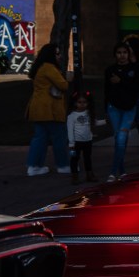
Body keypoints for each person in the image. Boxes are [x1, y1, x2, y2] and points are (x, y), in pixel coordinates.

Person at [25, 42, 71, 176]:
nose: (60, 56)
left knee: (40, 138)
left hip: (38, 109)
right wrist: (67, 78)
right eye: (57, 53)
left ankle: (34, 165)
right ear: (51, 55)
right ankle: (62, 165)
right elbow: (63, 85)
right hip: (51, 109)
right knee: (59, 138)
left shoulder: (40, 67)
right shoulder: (49, 68)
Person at [104, 41, 139, 181]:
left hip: (129, 109)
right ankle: (122, 171)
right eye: (119, 53)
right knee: (118, 138)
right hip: (113, 108)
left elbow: (137, 87)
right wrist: (105, 110)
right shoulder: (110, 70)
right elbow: (106, 90)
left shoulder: (135, 68)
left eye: (124, 52)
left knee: (121, 138)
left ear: (128, 54)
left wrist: (121, 80)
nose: (122, 55)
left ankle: (113, 172)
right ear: (115, 55)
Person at [66, 90, 97, 184]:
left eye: (84, 102)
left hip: (88, 141)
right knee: (74, 158)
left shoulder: (88, 113)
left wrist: (105, 121)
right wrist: (71, 143)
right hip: (75, 143)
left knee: (88, 158)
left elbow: (94, 123)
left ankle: (89, 175)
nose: (82, 104)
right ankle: (74, 177)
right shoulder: (72, 116)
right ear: (75, 103)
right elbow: (70, 130)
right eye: (79, 102)